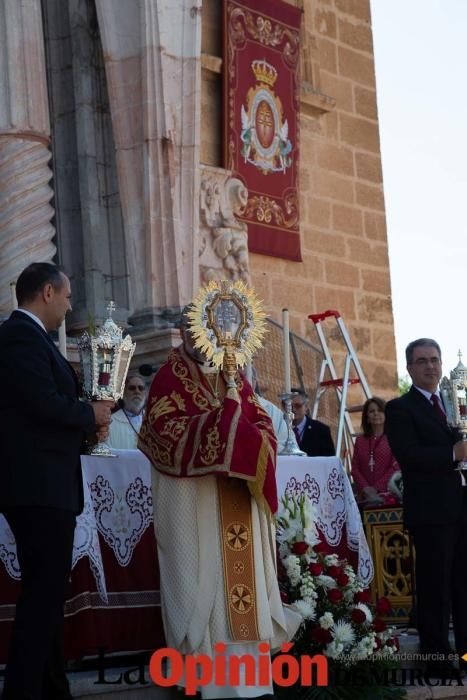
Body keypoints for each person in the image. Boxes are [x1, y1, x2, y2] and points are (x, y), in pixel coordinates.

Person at [138, 309, 300, 699]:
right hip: (196, 507)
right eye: (197, 330)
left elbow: (262, 425)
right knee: (201, 593)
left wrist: (242, 434)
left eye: (211, 331)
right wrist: (221, 429)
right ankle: (208, 682)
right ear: (184, 332)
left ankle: (252, 683)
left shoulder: (235, 378)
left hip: (237, 500)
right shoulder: (168, 377)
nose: (205, 338)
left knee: (243, 601)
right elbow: (160, 432)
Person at [0, 262, 112, 700]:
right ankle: (24, 692)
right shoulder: (19, 338)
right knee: (42, 596)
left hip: (46, 482)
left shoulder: (31, 340)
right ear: (47, 292)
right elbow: (42, 404)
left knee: (46, 593)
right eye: (66, 296)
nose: (68, 305)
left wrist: (90, 424)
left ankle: (51, 687)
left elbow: (45, 410)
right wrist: (90, 415)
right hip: (37, 487)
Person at [385, 338, 467, 679]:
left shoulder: (452, 404)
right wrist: (453, 454)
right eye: (422, 361)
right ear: (409, 368)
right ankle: (438, 660)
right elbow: (409, 455)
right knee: (436, 591)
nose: (430, 366)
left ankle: (464, 655)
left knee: (464, 589)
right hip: (432, 513)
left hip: (461, 506)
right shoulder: (401, 408)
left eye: (435, 359)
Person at [351, 397, 401, 504]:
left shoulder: (395, 438)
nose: (376, 414)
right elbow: (355, 469)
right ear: (367, 418)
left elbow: (396, 466)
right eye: (372, 411)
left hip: (388, 497)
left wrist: (376, 488)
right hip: (365, 497)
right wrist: (366, 488)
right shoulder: (360, 441)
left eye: (380, 410)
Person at [251, 366, 299, 453]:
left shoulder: (270, 410)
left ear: (254, 381)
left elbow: (290, 446)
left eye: (244, 377)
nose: (240, 383)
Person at [107, 372, 147, 449]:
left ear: (145, 393)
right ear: (123, 392)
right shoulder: (110, 422)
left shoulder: (152, 421)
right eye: (132, 388)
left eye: (141, 388)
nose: (137, 391)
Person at [290, 389, 335, 457]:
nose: (293, 409)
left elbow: (329, 460)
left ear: (306, 407)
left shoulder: (321, 430)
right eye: (289, 406)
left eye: (298, 406)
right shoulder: (277, 429)